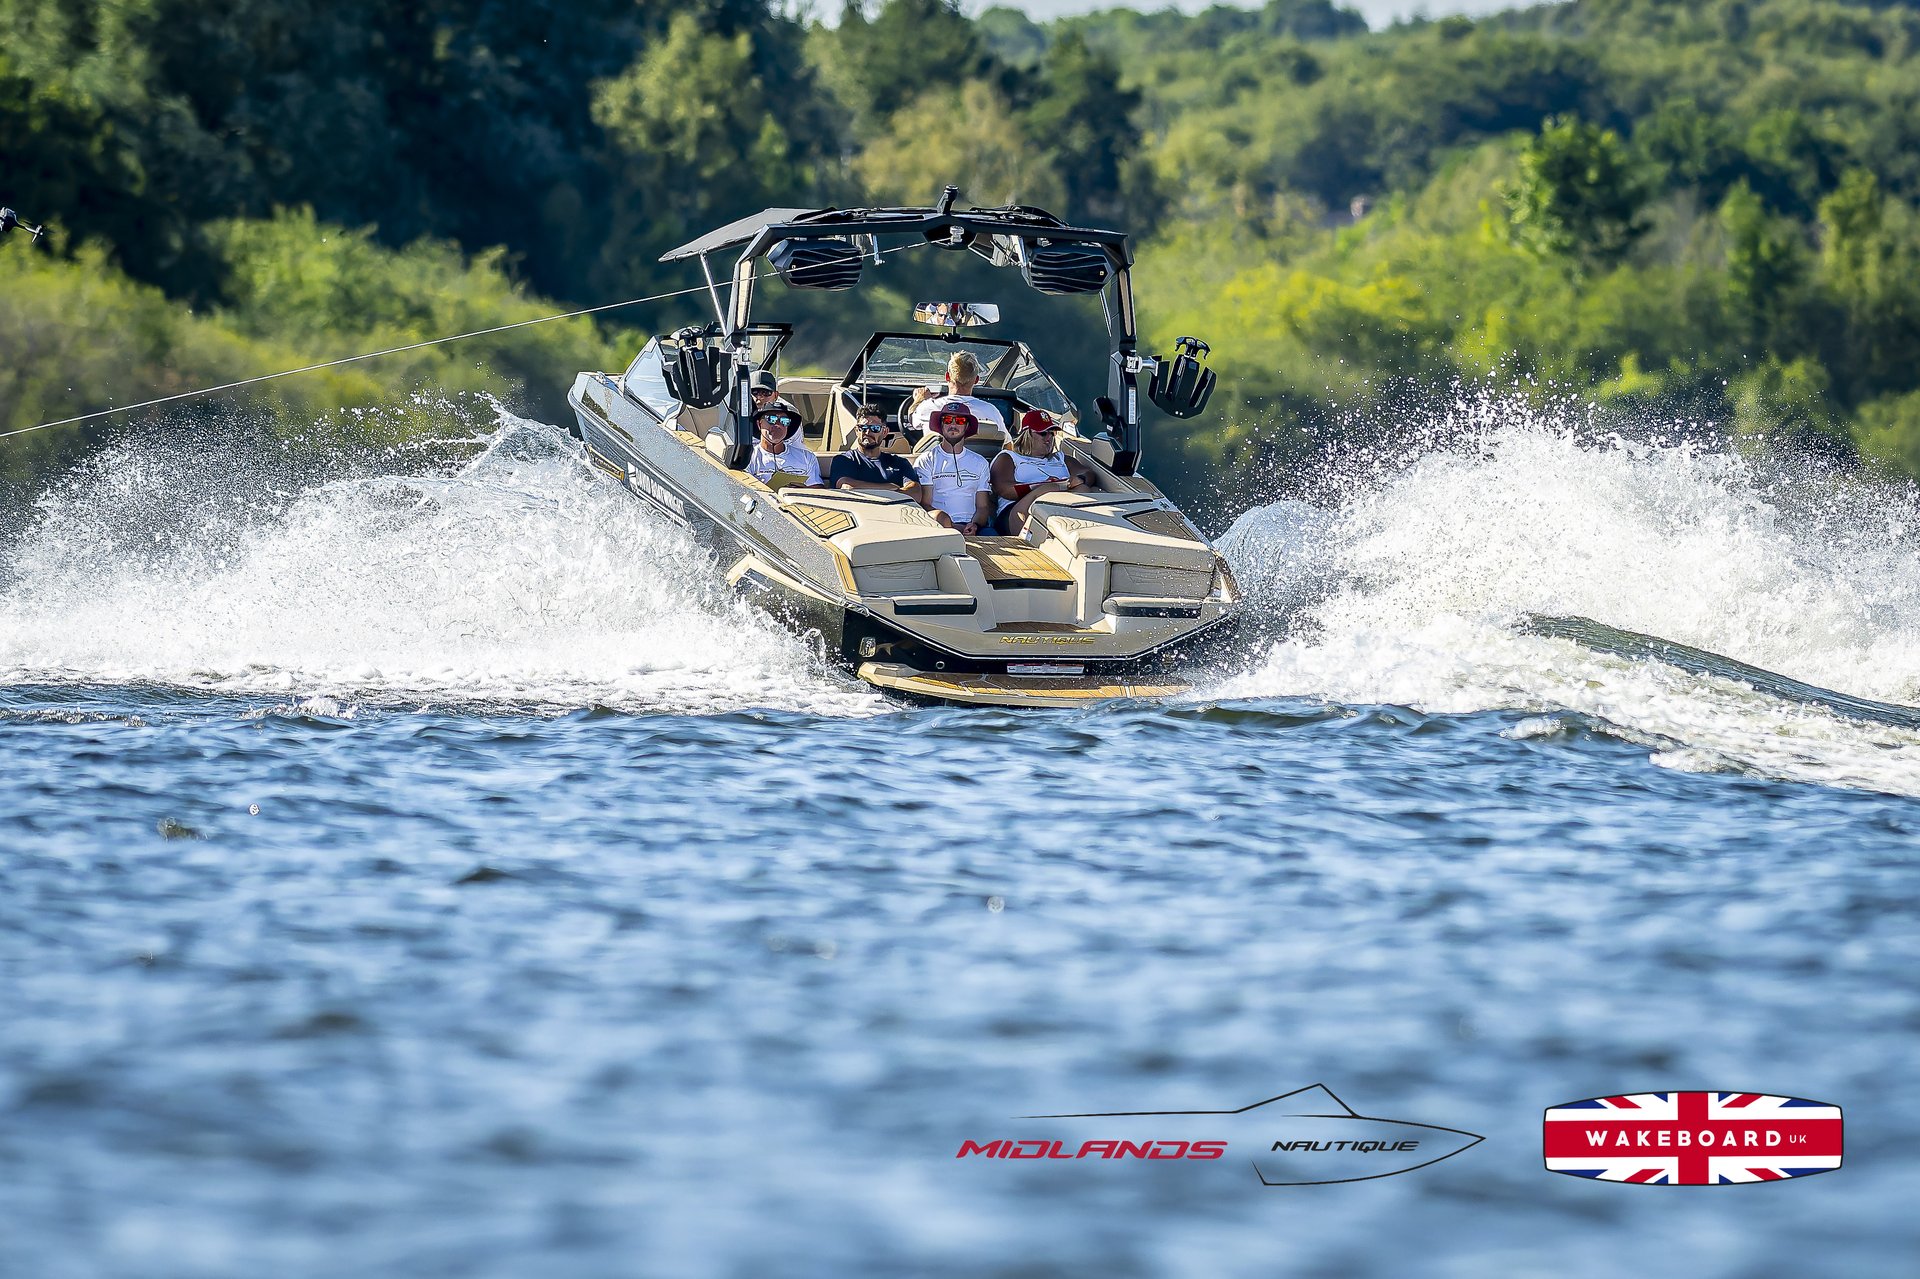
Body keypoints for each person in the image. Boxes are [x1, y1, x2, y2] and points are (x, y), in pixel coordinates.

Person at [991, 409, 1096, 534]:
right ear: (1027, 434)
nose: (1048, 438)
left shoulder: (1061, 458)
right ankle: (1030, 536)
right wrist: (1042, 486)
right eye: (1043, 433)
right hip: (1016, 509)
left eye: (1052, 433)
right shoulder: (1009, 457)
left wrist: (1080, 479)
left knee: (1083, 488)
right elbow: (1003, 489)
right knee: (1048, 488)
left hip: (1058, 505)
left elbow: (1088, 473)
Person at [914, 404, 994, 535]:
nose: (953, 424)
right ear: (941, 425)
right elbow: (925, 504)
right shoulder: (926, 460)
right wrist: (951, 526)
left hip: (973, 527)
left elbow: (983, 507)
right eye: (947, 420)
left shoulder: (980, 462)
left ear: (967, 426)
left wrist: (974, 525)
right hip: (938, 526)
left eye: (960, 421)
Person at [829, 404, 924, 500]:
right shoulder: (844, 460)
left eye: (875, 428)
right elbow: (847, 487)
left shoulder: (899, 463)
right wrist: (890, 487)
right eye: (863, 428)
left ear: (885, 432)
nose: (867, 432)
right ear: (856, 430)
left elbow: (916, 493)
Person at [908, 351, 1007, 435]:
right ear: (976, 380)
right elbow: (1006, 443)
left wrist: (919, 400)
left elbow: (912, 419)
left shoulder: (928, 407)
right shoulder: (991, 411)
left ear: (947, 376)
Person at [744, 401, 822, 488]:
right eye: (771, 419)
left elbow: (817, 488)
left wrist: (804, 490)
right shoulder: (747, 458)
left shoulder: (807, 457)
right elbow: (743, 490)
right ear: (759, 424)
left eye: (784, 421)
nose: (778, 424)